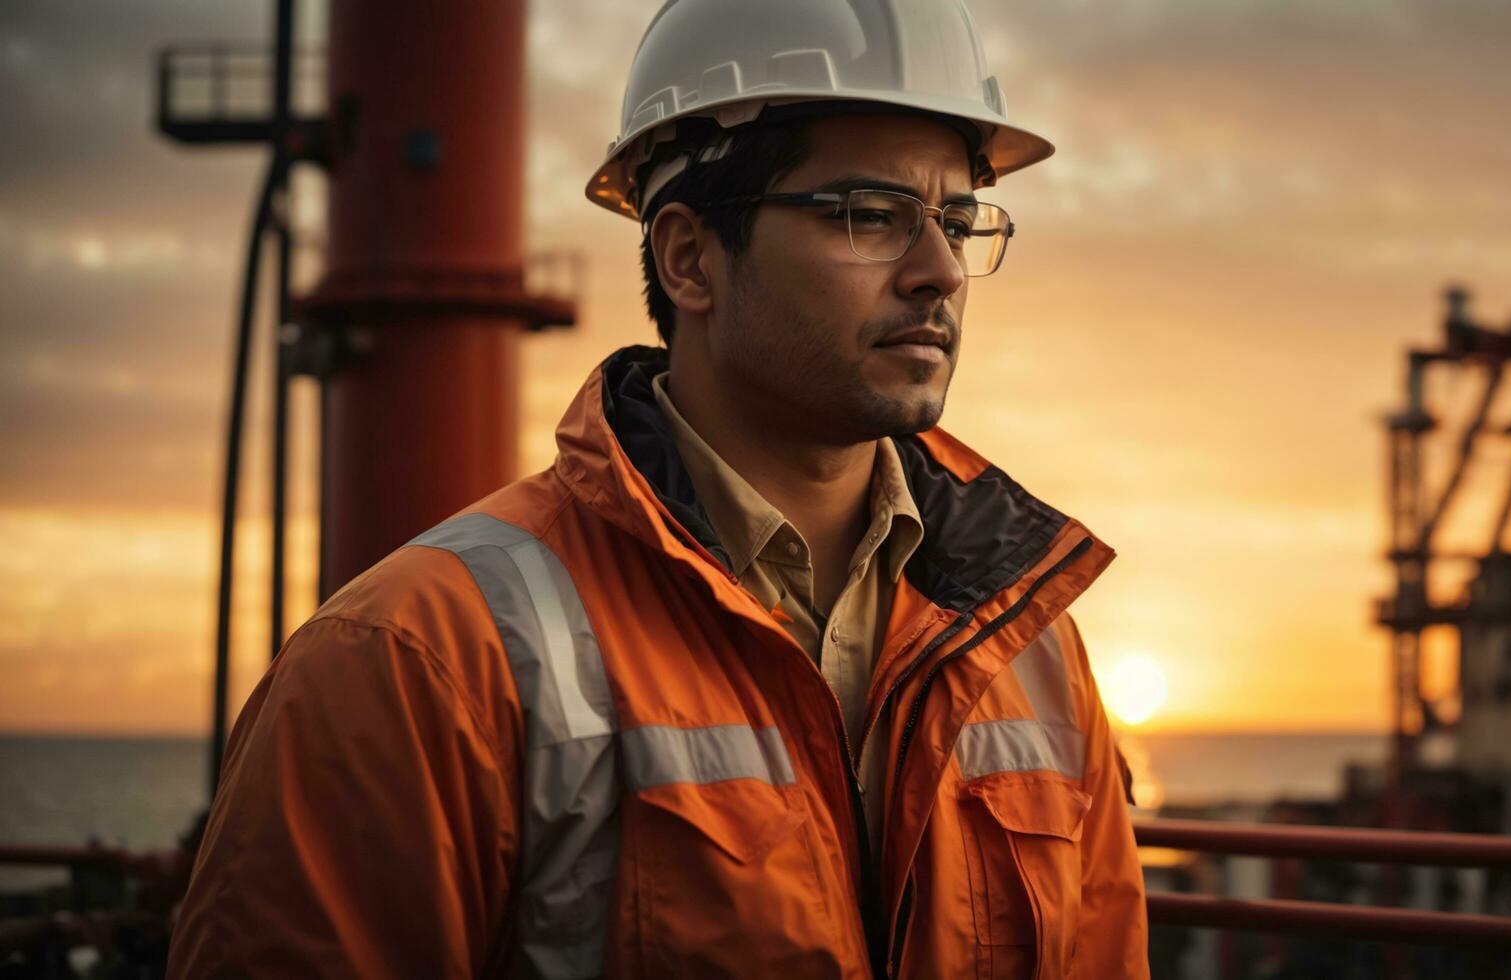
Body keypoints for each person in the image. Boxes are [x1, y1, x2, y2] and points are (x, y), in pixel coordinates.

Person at [168, 0, 1149, 976]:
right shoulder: (416, 657)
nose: (938, 270)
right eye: (869, 215)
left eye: (955, 219)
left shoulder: (1032, 644)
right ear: (688, 257)